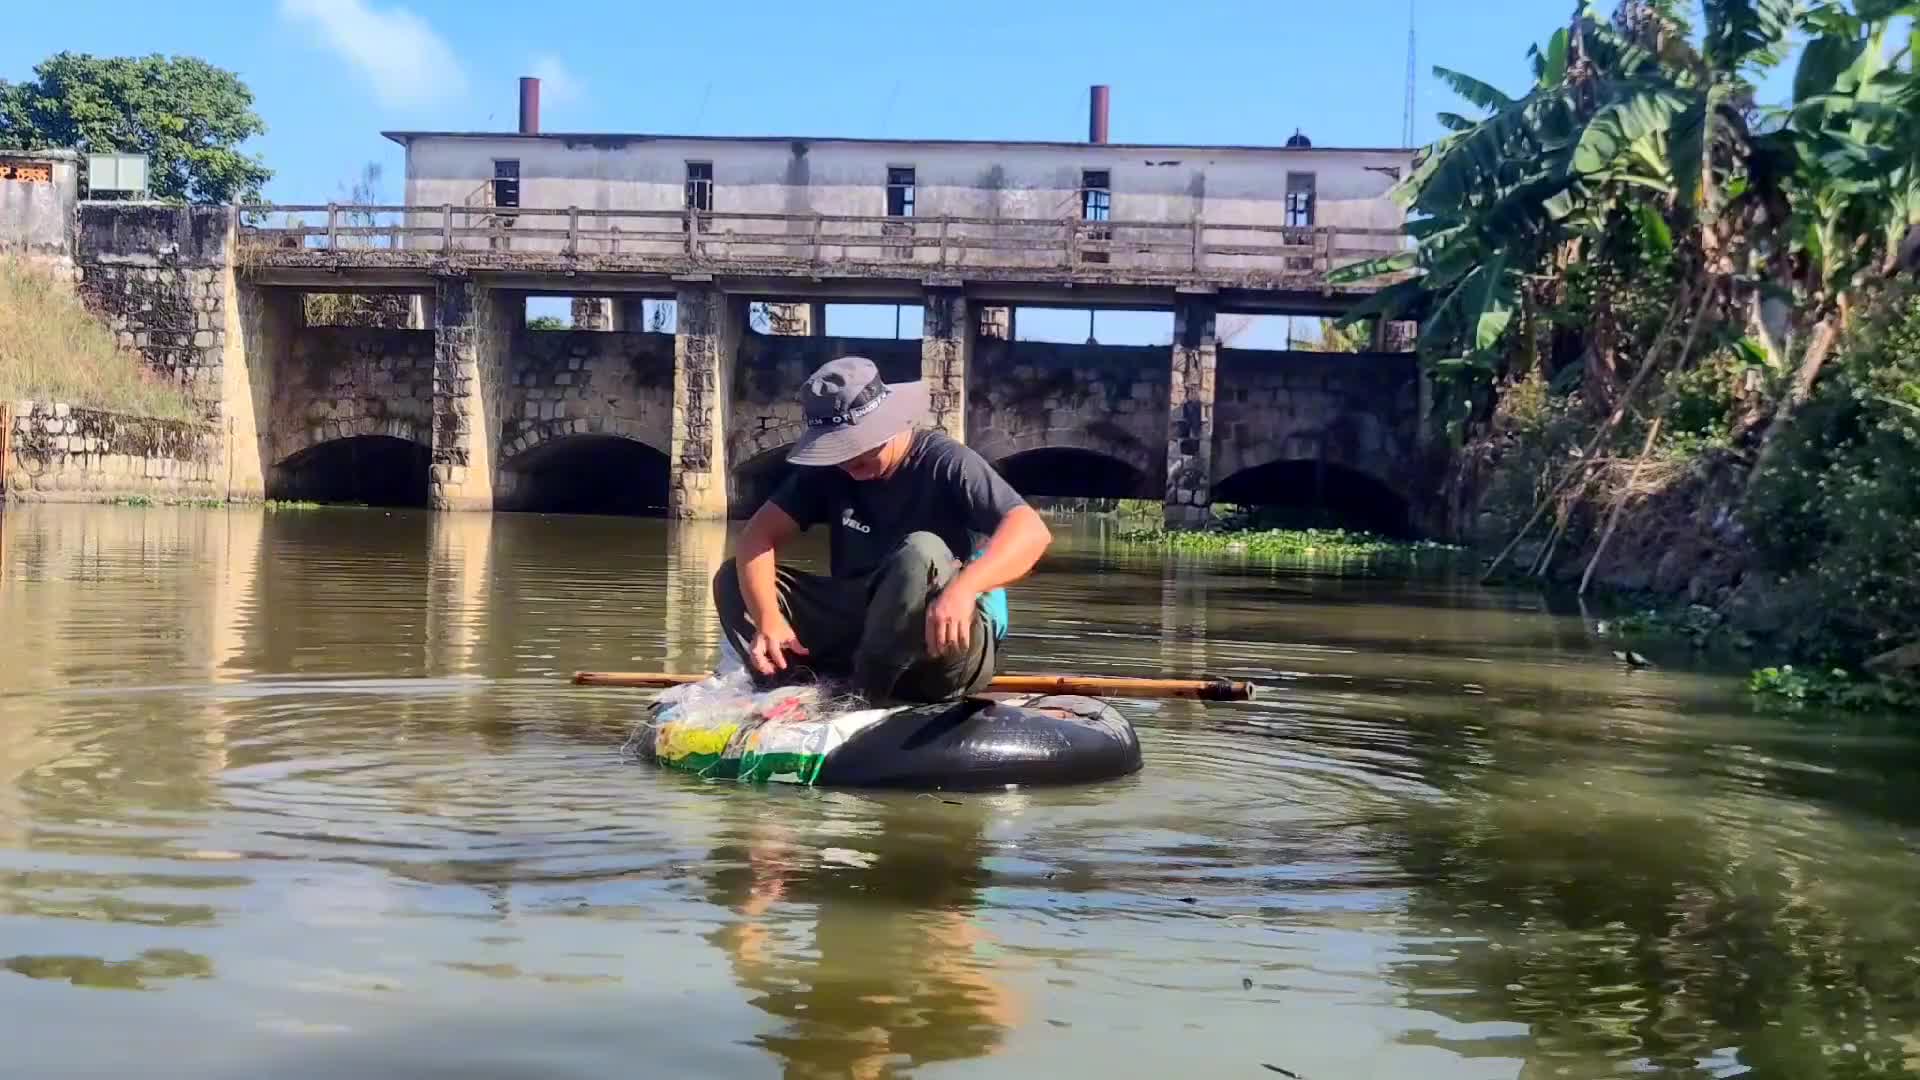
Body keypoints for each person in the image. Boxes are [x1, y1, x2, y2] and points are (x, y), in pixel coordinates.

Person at [713, 355, 1053, 704]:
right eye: (840, 455)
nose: (850, 467)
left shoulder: (946, 461)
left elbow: (1030, 532)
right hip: (861, 630)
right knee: (732, 578)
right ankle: (788, 685)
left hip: (939, 643)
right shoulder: (832, 471)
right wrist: (768, 618)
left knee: (919, 552)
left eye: (859, 454)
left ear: (888, 426)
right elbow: (757, 536)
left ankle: (863, 697)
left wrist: (965, 589)